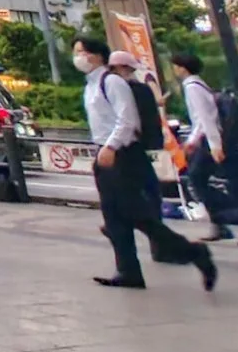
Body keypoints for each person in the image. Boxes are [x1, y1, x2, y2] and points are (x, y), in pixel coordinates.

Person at [81, 37, 215, 292]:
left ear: (97, 55)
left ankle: (193, 252)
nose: (78, 57)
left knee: (137, 214)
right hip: (105, 154)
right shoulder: (90, 85)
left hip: (122, 154)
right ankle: (128, 270)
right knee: (114, 219)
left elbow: (127, 120)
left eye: (82, 51)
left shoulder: (112, 82)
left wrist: (111, 146)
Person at [171, 50, 238, 251]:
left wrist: (213, 145)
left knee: (205, 180)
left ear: (182, 68)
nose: (174, 70)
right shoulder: (199, 85)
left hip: (213, 142)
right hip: (214, 141)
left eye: (175, 66)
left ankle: (228, 217)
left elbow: (206, 118)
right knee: (229, 183)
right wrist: (195, 140)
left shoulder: (192, 87)